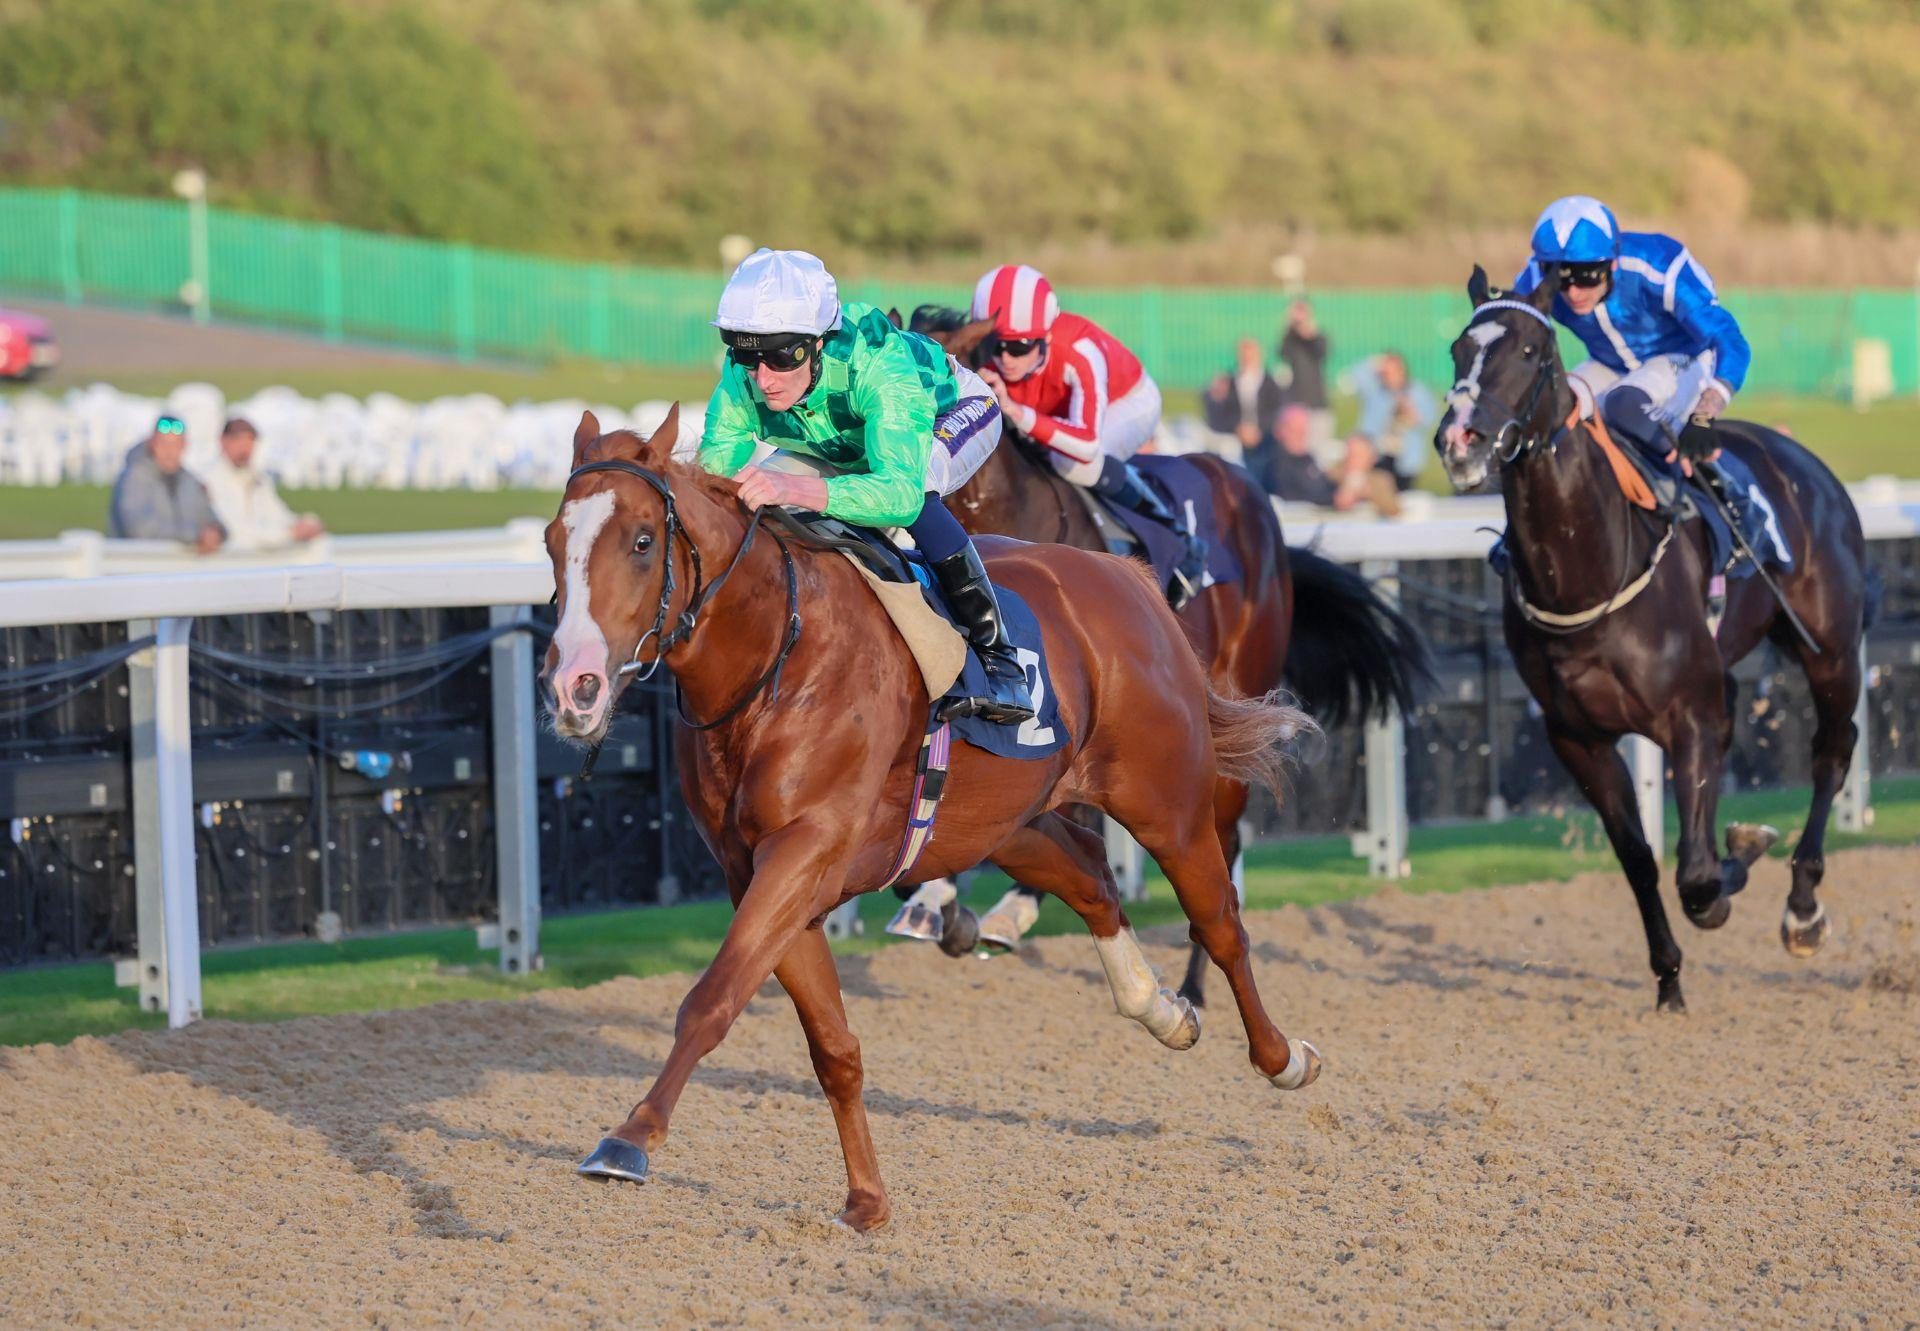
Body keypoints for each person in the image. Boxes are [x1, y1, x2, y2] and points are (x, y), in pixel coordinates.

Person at [699, 248, 1033, 725]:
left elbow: (896, 496)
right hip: (840, 443)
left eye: (781, 355)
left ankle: (1001, 663)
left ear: (818, 342)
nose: (763, 378)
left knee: (917, 497)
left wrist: (793, 489)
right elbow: (713, 483)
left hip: (949, 413)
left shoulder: (880, 364)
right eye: (747, 355)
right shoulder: (744, 374)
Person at [969, 263, 1206, 595]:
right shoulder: (992, 354)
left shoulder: (1079, 351)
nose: (1006, 358)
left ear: (1044, 337)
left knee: (1073, 463)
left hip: (1125, 403)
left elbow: (1085, 443)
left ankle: (1177, 534)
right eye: (997, 345)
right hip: (1055, 411)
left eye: (1019, 346)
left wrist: (1016, 412)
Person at [1511, 195, 1750, 492]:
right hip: (1609, 364)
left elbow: (1729, 340)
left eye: (1586, 275)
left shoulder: (1657, 265)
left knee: (1624, 404)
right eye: (1559, 277)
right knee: (1554, 406)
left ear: (1612, 264)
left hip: (1683, 358)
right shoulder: (1533, 279)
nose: (1573, 292)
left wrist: (1703, 416)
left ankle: (1722, 483)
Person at [1335, 351, 1437, 517]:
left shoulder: (1417, 392)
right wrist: (1375, 362)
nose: (1387, 376)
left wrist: (1412, 414)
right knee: (1374, 496)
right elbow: (1354, 377)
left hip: (1405, 458)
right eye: (1384, 372)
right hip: (1378, 455)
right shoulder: (1376, 391)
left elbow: (1429, 418)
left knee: (1402, 498)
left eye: (1391, 372)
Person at [107, 414, 225, 552]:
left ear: (184, 446)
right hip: (139, 567)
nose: (169, 452)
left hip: (180, 569)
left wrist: (215, 532)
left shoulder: (191, 482)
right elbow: (139, 530)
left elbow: (211, 519)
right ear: (151, 444)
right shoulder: (134, 479)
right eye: (163, 444)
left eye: (176, 445)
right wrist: (195, 536)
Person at [205, 418, 325, 552]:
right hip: (230, 561)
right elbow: (235, 531)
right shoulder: (210, 481)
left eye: (250, 441)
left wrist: (306, 524)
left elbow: (279, 514)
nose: (245, 448)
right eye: (238, 441)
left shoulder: (258, 479)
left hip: (262, 558)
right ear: (223, 441)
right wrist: (287, 535)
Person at [1202, 336, 1283, 486]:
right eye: (1244, 354)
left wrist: (1258, 429)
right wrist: (1238, 428)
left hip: (1264, 436)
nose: (1247, 358)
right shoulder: (1228, 382)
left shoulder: (1271, 383)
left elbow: (1276, 412)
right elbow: (1218, 415)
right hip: (1236, 436)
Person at [1277, 299, 1338, 472]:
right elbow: (1283, 353)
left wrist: (1308, 331)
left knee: (1319, 453)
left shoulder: (1319, 337)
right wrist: (1289, 327)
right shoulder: (1291, 340)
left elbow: (1321, 350)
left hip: (1317, 403)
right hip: (1297, 405)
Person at [1266, 404, 1339, 506]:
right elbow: (1291, 498)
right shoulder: (1275, 465)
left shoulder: (1308, 459)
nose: (1300, 436)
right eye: (1295, 431)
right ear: (1280, 431)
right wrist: (1332, 500)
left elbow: (1323, 487)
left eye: (1303, 431)